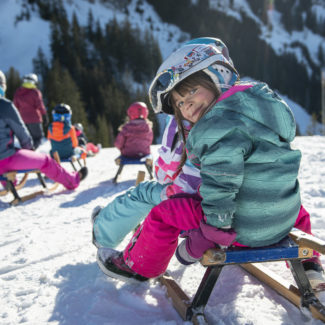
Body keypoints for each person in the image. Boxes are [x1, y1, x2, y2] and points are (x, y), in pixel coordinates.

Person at [96, 37, 325, 289]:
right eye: (180, 102)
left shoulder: (214, 127)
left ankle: (137, 266)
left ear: (219, 76)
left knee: (163, 213)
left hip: (238, 230)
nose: (187, 104)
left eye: (192, 91)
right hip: (280, 222)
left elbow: (220, 186)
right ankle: (310, 265)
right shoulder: (266, 110)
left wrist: (208, 234)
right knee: (291, 200)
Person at [92, 114, 201, 249]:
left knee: (143, 192)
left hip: (193, 200)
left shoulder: (184, 114)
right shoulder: (227, 110)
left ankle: (103, 235)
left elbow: (165, 174)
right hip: (224, 202)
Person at [0, 70, 88, 191]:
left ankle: (10, 184)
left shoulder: (17, 94)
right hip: (5, 158)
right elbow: (22, 133)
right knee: (46, 160)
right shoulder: (4, 105)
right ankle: (72, 181)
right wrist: (29, 151)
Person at [13, 73, 48, 149]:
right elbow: (40, 105)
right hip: (35, 119)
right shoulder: (35, 92)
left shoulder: (18, 92)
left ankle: (26, 153)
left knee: (26, 139)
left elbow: (15, 106)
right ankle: (32, 152)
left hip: (22, 119)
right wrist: (44, 115)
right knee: (38, 138)